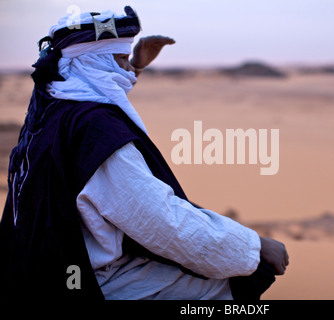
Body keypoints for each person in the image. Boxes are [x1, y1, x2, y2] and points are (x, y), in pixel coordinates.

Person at [0, 6, 288, 301]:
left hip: (43, 268)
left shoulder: (51, 108)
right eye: (120, 60)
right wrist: (252, 248)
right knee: (228, 283)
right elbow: (161, 222)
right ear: (94, 63)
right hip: (94, 277)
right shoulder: (95, 131)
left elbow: (96, 87)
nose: (126, 71)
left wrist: (133, 64)